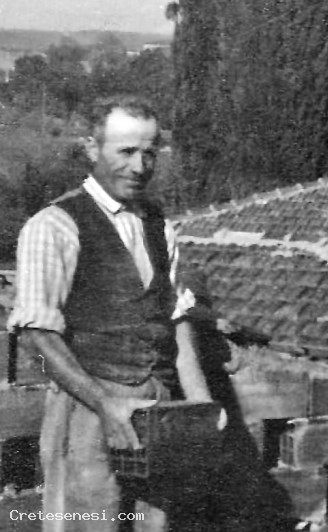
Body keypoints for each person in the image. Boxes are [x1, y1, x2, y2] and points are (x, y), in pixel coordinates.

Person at [8, 96, 215, 531]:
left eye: (149, 153)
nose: (139, 166)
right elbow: (37, 338)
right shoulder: (55, 225)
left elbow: (175, 320)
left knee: (153, 523)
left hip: (157, 410)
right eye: (126, 151)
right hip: (87, 408)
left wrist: (199, 404)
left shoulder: (159, 226)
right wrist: (104, 405)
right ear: (92, 148)